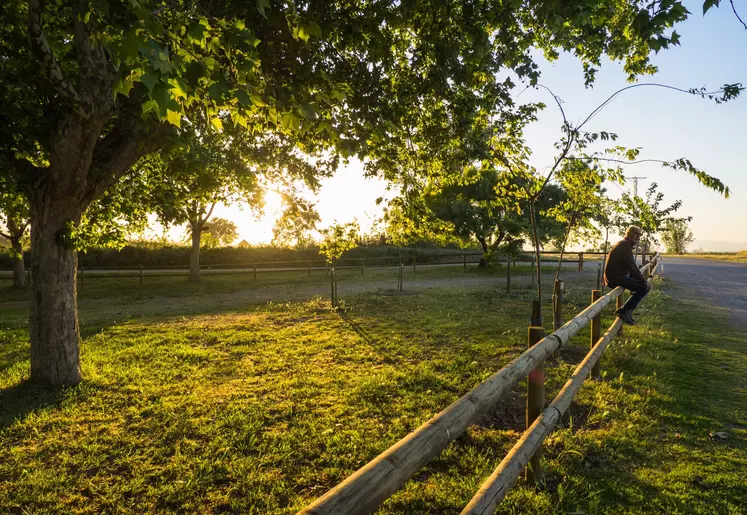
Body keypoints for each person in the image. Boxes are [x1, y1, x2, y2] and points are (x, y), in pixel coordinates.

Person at [603, 226, 650, 325]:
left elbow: (629, 266)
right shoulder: (624, 245)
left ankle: (627, 311)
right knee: (644, 287)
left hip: (618, 276)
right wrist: (643, 281)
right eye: (635, 234)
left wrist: (638, 279)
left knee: (642, 285)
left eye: (639, 235)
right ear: (628, 234)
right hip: (615, 278)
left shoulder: (624, 244)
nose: (637, 237)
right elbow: (631, 266)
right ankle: (624, 311)